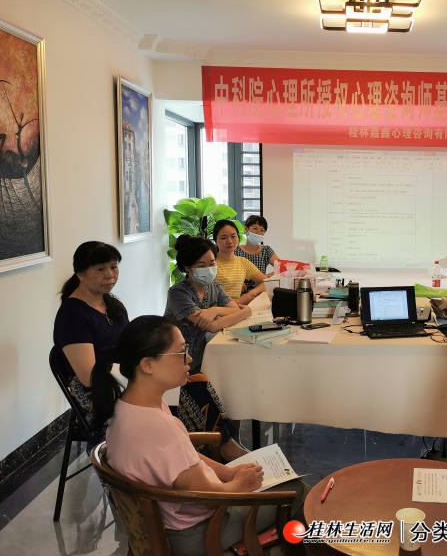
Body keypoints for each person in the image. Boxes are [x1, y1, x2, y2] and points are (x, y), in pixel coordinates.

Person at [91, 316, 306, 556]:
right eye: (181, 353)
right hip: (199, 531)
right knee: (298, 490)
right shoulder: (159, 426)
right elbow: (203, 497)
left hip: (171, 522)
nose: (190, 359)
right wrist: (238, 485)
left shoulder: (127, 407)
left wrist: (228, 473)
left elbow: (183, 459)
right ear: (148, 364)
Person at [53, 241, 246, 460]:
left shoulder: (112, 305)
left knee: (197, 381)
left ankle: (218, 446)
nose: (110, 275)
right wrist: (147, 378)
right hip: (100, 389)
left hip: (126, 376)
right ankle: (194, 455)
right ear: (80, 274)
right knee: (185, 390)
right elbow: (88, 376)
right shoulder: (72, 315)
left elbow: (131, 347)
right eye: (100, 269)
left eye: (114, 267)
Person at [165, 234, 252, 371]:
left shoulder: (213, 285)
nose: (209, 269)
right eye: (201, 265)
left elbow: (234, 308)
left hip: (200, 355)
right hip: (176, 360)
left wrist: (215, 310)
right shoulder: (178, 293)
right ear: (188, 267)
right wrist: (246, 311)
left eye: (212, 263)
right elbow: (212, 326)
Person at [212, 220, 267, 305]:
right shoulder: (210, 263)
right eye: (223, 238)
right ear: (215, 240)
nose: (229, 241)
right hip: (217, 310)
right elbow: (209, 302)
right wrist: (242, 300)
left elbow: (267, 283)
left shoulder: (243, 262)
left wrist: (251, 293)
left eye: (233, 236)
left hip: (237, 309)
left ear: (238, 237)